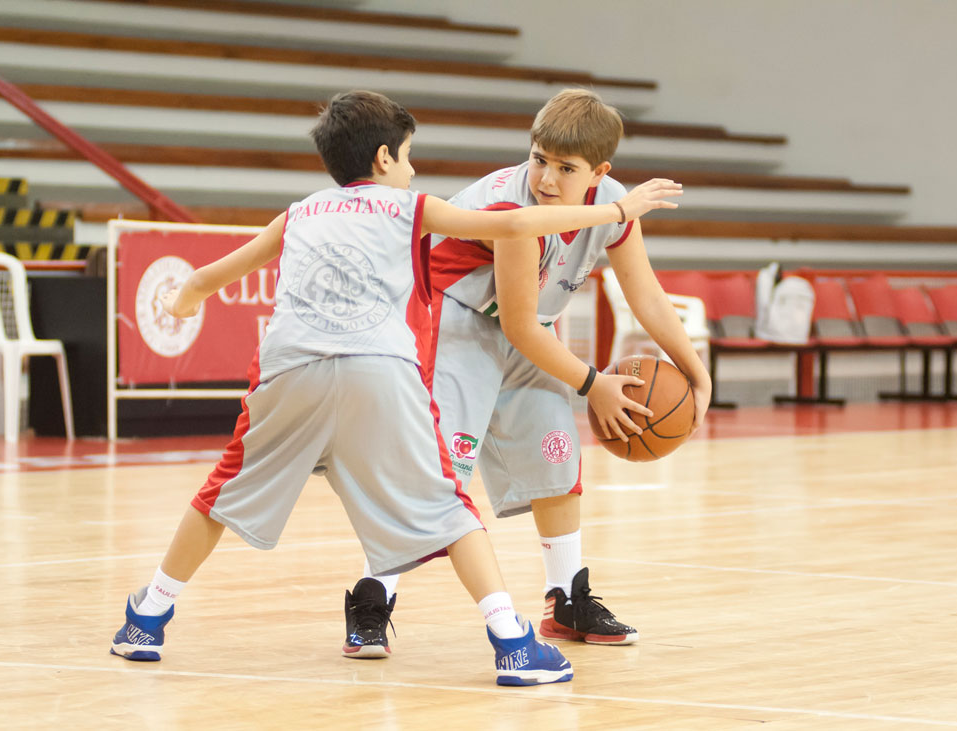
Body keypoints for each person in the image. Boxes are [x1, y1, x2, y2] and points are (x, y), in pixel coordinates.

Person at [108, 90, 683, 687]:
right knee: (445, 503)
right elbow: (516, 224)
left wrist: (181, 301)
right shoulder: (409, 207)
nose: (412, 168)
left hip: (287, 373)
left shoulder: (299, 212)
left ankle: (148, 617)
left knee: (220, 495)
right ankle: (511, 640)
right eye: (408, 156)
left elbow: (204, 279)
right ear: (385, 159)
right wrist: (617, 212)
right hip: (379, 368)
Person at [343, 88, 712, 658]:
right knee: (438, 472)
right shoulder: (508, 206)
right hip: (453, 319)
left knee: (558, 454)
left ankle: (566, 599)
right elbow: (517, 326)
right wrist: (594, 383)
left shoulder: (612, 204)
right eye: (539, 159)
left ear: (599, 173)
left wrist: (696, 371)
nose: (546, 177)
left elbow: (645, 293)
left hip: (529, 329)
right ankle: (373, 595)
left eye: (566, 168)